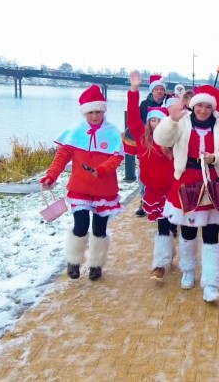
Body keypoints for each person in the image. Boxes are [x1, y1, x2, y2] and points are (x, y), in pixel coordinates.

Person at [153, 84, 219, 302]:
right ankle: (188, 269)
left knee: (211, 234)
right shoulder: (182, 121)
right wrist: (171, 120)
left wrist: (216, 158)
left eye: (207, 107)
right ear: (193, 105)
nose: (202, 110)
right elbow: (161, 139)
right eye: (199, 105)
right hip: (186, 181)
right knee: (188, 231)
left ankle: (210, 282)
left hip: (211, 183)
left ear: (212, 108)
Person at [40, 85, 124, 281]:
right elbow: (61, 157)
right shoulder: (75, 131)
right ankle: (74, 261)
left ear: (103, 111)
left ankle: (96, 264)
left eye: (98, 112)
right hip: (80, 188)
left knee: (100, 229)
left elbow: (116, 158)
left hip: (105, 189)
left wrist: (101, 169)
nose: (95, 116)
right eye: (91, 112)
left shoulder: (112, 132)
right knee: (81, 225)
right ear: (85, 112)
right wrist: (51, 176)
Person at [127, 71, 177, 281]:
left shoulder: (172, 140)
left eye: (160, 120)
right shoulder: (142, 137)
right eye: (153, 120)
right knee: (162, 225)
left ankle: (165, 257)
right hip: (153, 190)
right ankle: (160, 263)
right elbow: (132, 117)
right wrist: (134, 90)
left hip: (171, 189)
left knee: (168, 224)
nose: (156, 124)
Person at [134, 74, 168, 217]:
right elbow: (140, 123)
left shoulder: (168, 103)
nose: (159, 92)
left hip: (164, 145)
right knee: (144, 174)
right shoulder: (144, 104)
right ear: (152, 91)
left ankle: (165, 203)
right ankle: (144, 201)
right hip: (147, 143)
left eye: (161, 89)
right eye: (156, 89)